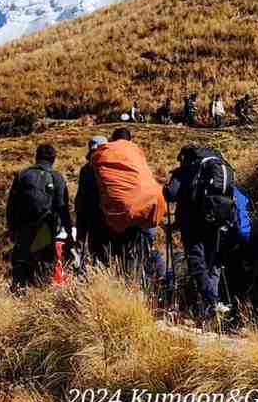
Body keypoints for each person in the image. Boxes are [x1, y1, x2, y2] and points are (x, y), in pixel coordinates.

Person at [165, 145, 238, 319]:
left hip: (192, 224)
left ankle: (211, 302)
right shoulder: (217, 167)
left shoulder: (185, 170)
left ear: (184, 158)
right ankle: (213, 307)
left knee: (197, 263)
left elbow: (170, 193)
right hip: (215, 220)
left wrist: (165, 187)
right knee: (210, 263)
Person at [91, 127, 167, 281]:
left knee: (123, 254)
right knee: (141, 254)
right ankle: (142, 283)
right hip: (149, 206)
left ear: (113, 139)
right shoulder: (136, 153)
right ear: (129, 140)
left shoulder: (105, 154)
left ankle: (129, 284)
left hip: (122, 212)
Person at [6, 143, 74, 291]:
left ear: (36, 157)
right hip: (45, 228)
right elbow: (63, 207)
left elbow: (11, 205)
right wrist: (69, 231)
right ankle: (40, 296)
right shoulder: (57, 177)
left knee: (22, 263)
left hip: (23, 228)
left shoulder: (22, 175)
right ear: (53, 159)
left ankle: (18, 295)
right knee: (44, 264)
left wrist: (11, 229)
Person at [75, 135, 110, 267]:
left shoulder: (86, 170)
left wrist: (81, 230)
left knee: (97, 254)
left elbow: (81, 201)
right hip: (108, 220)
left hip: (94, 219)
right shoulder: (112, 166)